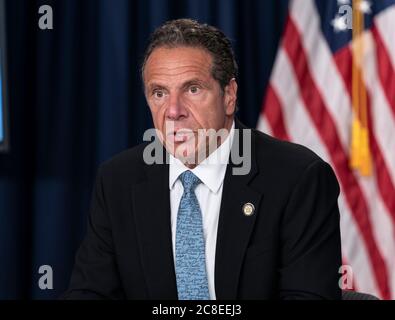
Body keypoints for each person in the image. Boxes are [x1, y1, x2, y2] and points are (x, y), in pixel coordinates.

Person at [63, 19, 342, 300]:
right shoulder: (118, 181)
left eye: (193, 89)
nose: (173, 111)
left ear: (229, 96)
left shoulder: (297, 178)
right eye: (159, 93)